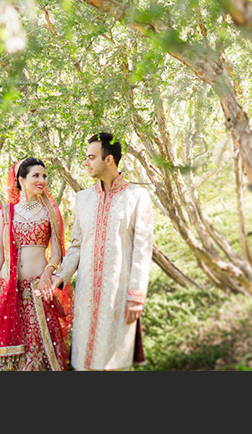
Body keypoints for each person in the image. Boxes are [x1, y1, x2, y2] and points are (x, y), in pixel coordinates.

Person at [50, 132, 153, 370]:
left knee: (114, 363)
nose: (86, 163)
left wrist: (136, 297)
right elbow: (76, 246)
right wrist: (59, 276)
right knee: (83, 363)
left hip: (118, 296)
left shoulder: (137, 197)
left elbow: (142, 251)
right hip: (86, 295)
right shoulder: (82, 199)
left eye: (91, 157)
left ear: (109, 160)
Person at [0, 157, 73, 371]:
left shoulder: (50, 211)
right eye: (36, 175)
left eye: (44, 175)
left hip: (38, 291)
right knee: (6, 357)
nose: (42, 180)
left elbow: (56, 254)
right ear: (21, 179)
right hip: (10, 292)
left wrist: (48, 274)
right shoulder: (6, 212)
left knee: (37, 355)